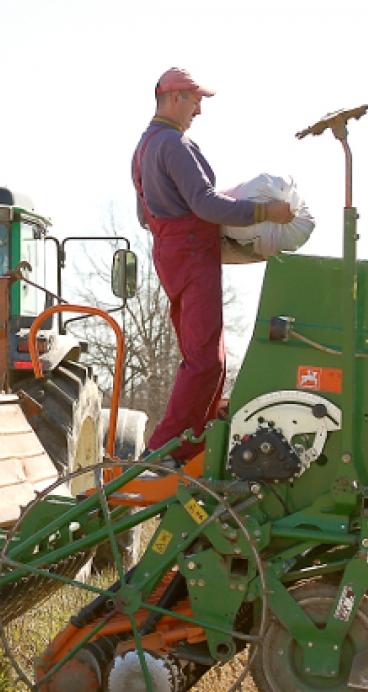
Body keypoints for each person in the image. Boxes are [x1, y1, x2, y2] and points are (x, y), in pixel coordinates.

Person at [132, 67, 293, 466]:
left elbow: (143, 214)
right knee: (206, 359)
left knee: (201, 355)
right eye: (196, 100)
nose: (199, 110)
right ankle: (166, 449)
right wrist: (265, 211)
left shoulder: (144, 146)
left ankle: (194, 440)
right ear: (174, 99)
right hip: (190, 253)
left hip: (171, 254)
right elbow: (204, 204)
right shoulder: (174, 144)